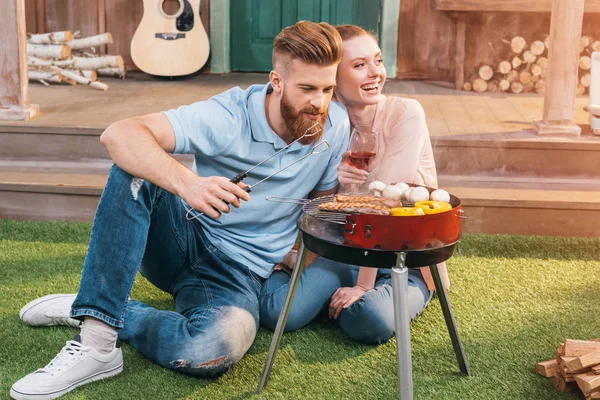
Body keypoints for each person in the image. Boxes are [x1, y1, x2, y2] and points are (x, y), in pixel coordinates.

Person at [10, 21, 350, 400]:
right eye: (307, 89)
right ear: (277, 81)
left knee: (209, 352)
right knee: (133, 171)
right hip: (181, 237)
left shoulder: (333, 126)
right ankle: (96, 344)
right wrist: (188, 183)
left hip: (238, 276)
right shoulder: (229, 115)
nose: (319, 102)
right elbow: (120, 133)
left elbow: (319, 207)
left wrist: (295, 256)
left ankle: (94, 308)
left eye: (327, 89)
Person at [259, 24, 450, 345]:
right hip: (345, 253)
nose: (375, 73)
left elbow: (385, 205)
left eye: (377, 60)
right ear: (333, 78)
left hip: (406, 259)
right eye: (359, 65)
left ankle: (352, 297)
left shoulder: (406, 113)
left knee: (367, 319)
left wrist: (363, 286)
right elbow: (318, 206)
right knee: (277, 313)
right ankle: (307, 281)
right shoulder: (327, 126)